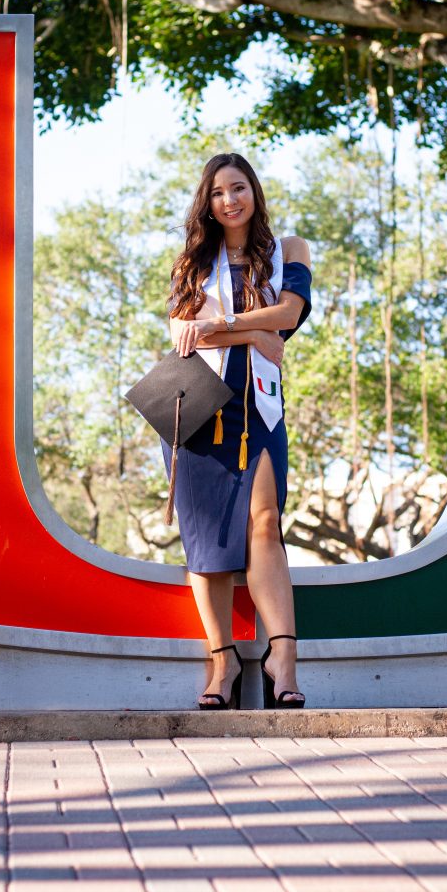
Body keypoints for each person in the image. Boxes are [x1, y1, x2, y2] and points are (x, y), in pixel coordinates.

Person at [161, 152, 312, 710]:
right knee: (208, 538)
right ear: (208, 202)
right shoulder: (192, 264)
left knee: (266, 523)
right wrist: (254, 334)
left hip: (261, 407)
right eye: (219, 191)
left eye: (239, 187)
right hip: (201, 409)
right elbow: (182, 333)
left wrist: (223, 325)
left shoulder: (287, 251)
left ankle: (283, 657)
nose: (230, 199)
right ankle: (221, 662)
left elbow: (290, 313)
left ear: (255, 192)